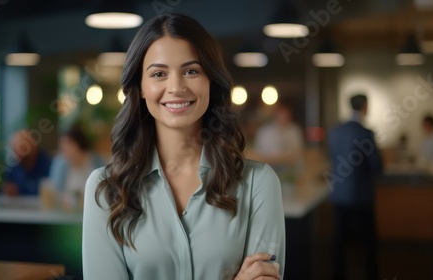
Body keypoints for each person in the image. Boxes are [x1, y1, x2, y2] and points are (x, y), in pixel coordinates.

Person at [82, 13, 285, 280]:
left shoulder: (259, 184)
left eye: (191, 71)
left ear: (210, 81)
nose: (176, 87)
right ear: (140, 87)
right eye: (158, 74)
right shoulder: (105, 190)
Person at [327, 94, 383, 280]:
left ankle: (338, 274)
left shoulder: (335, 131)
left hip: (339, 194)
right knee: (368, 241)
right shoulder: (366, 133)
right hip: (361, 196)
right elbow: (376, 166)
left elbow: (332, 158)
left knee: (339, 240)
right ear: (365, 106)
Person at [49, 125, 103, 209]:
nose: (65, 149)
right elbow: (54, 191)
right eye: (62, 146)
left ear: (79, 144)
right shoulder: (60, 164)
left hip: (91, 209)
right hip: (66, 212)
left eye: (69, 144)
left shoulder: (97, 162)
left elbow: (103, 192)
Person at [251, 104, 304, 173]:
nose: (283, 118)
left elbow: (298, 152)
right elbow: (259, 154)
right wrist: (279, 159)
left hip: (291, 170)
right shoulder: (264, 131)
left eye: (286, 116)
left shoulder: (294, 130)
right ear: (276, 116)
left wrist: (281, 158)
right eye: (281, 115)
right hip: (268, 169)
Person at [3, 129, 52, 196]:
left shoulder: (48, 164)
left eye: (22, 148)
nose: (18, 153)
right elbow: (5, 189)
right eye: (15, 149)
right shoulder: (14, 167)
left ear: (33, 146)